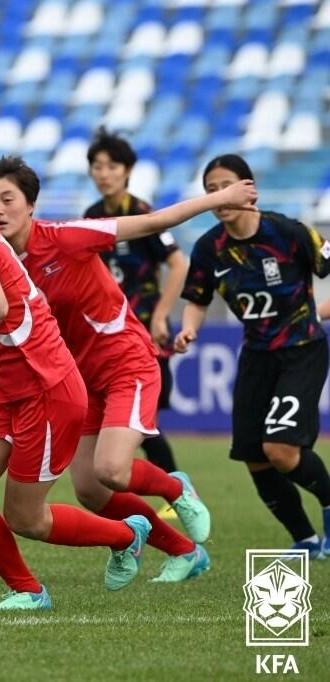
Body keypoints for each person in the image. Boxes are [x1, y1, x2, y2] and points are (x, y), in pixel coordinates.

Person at [0, 156, 255, 581]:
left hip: (127, 363)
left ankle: (176, 487)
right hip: (78, 380)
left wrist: (219, 198)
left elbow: (152, 222)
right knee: (89, 488)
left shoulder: (67, 236)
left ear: (30, 204)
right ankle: (183, 550)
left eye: (7, 199)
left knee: (112, 470)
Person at [0, 133, 153, 611]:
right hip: (6, 385)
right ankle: (28, 591)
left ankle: (125, 534)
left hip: (44, 387)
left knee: (26, 517)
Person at [174, 153, 330, 558]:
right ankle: (307, 540)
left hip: (301, 351)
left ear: (248, 190)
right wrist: (190, 326)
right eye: (210, 191)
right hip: (256, 356)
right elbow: (196, 297)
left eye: (225, 186)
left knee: (280, 450)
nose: (218, 196)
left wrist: (318, 311)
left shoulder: (287, 232)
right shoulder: (210, 249)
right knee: (252, 455)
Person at [84, 129, 187, 480]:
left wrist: (161, 315)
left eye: (112, 166)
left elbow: (178, 263)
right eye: (97, 166)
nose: (104, 173)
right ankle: (170, 486)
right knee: (133, 422)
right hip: (107, 335)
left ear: (127, 170)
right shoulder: (92, 215)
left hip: (144, 331)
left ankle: (174, 486)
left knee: (141, 419)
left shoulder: (142, 214)